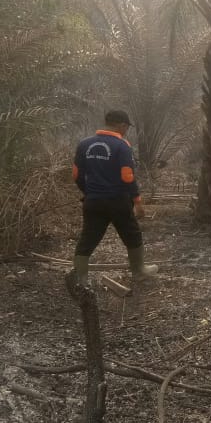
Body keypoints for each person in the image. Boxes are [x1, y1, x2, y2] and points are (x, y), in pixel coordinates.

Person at [68, 110, 157, 291]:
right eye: (126, 127)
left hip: (93, 202)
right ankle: (139, 271)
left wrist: (89, 193)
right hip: (118, 202)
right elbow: (127, 177)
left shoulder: (84, 144)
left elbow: (76, 174)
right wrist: (138, 202)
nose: (126, 130)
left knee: (88, 238)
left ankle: (80, 280)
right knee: (132, 234)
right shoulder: (121, 146)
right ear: (121, 125)